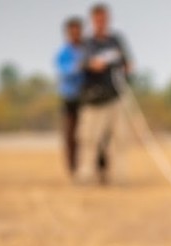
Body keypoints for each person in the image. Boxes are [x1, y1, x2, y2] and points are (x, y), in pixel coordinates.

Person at [76, 4, 132, 185]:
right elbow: (82, 64)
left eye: (104, 18)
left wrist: (125, 68)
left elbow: (127, 63)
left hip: (116, 97)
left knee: (120, 139)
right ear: (93, 20)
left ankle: (119, 177)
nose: (101, 22)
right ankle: (86, 176)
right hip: (94, 100)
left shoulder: (116, 40)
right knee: (89, 140)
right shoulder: (87, 44)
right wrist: (93, 65)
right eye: (98, 19)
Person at [55, 17, 85, 175]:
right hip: (70, 98)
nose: (75, 35)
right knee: (70, 135)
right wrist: (80, 66)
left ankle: (88, 166)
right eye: (72, 32)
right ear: (67, 33)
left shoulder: (87, 49)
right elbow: (64, 71)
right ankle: (72, 168)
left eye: (78, 31)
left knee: (87, 135)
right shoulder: (63, 53)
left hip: (86, 99)